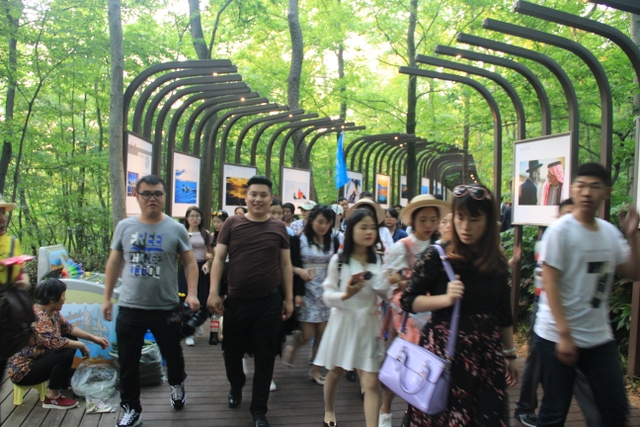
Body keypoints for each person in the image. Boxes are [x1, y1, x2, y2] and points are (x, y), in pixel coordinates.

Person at [400, 184, 518, 426]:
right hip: (445, 355)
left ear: (488, 221)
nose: (465, 227)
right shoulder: (437, 256)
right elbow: (408, 300)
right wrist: (445, 299)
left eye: (474, 220)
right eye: (460, 218)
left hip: (486, 357)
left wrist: (510, 354)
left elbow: (502, 312)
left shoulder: (496, 261)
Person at [535, 162, 640, 426]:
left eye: (594, 187)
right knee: (554, 411)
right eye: (581, 186)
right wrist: (564, 335)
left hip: (597, 336)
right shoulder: (560, 231)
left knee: (615, 408)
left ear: (606, 192)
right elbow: (550, 282)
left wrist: (632, 236)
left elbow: (633, 272)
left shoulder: (609, 232)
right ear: (572, 189)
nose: (586, 192)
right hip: (555, 335)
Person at [102, 174, 200, 427]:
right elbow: (114, 262)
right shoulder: (125, 227)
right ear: (137, 196)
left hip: (165, 307)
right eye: (146, 193)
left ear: (164, 197)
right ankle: (132, 409)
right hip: (130, 306)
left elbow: (190, 263)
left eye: (157, 193)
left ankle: (176, 384)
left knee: (173, 355)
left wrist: (192, 293)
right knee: (127, 361)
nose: (152, 198)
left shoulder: (176, 229)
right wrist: (107, 297)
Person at [207, 175, 293, 427]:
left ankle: (259, 410)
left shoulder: (278, 227)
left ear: (270, 198)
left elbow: (285, 264)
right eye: (253, 194)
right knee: (231, 352)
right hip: (236, 301)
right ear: (245, 197)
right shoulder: (232, 223)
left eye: (263, 195)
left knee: (266, 357)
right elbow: (219, 258)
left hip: (269, 302)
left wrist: (288, 298)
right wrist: (213, 292)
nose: (258, 199)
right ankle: (236, 385)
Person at [514, 198, 600, 427]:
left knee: (574, 374)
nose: (572, 219)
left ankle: (596, 417)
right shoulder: (550, 241)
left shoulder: (583, 242)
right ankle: (524, 407)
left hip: (575, 318)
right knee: (537, 363)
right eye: (567, 214)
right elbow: (551, 282)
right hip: (545, 313)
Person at [314, 209, 391, 427]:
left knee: (371, 382)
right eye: (363, 227)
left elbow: (387, 293)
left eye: (372, 227)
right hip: (343, 323)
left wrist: (393, 285)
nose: (369, 232)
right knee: (336, 371)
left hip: (369, 324)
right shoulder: (339, 261)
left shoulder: (379, 260)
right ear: (351, 231)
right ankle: (329, 410)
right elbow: (327, 295)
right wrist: (346, 295)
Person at [379, 194, 450, 427]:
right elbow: (384, 282)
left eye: (433, 220)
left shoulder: (441, 248)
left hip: (434, 313)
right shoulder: (403, 247)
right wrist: (403, 285)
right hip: (408, 315)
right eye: (423, 220)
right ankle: (385, 409)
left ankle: (417, 411)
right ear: (413, 221)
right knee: (403, 359)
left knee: (427, 364)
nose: (429, 225)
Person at [9, 279, 108, 409]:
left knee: (70, 338)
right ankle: (52, 397)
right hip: (24, 372)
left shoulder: (52, 312)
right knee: (65, 352)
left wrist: (94, 338)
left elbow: (69, 328)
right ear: (52, 299)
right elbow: (56, 343)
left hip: (39, 359)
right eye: (62, 295)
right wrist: (81, 345)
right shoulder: (39, 317)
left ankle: (62, 380)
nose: (64, 299)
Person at [284, 205, 338, 385]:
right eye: (320, 221)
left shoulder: (334, 240)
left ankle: (315, 369)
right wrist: (299, 272)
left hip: (327, 292)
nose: (323, 226)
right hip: (306, 291)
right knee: (307, 334)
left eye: (327, 222)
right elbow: (287, 265)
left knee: (322, 335)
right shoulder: (299, 240)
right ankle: (294, 345)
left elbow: (339, 263)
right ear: (312, 221)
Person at [179, 206, 214, 346]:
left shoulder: (205, 234)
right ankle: (189, 332)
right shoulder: (182, 233)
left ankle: (197, 322)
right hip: (187, 268)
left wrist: (208, 260)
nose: (195, 219)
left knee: (201, 298)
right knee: (185, 299)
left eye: (197, 216)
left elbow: (211, 253)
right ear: (187, 218)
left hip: (202, 268)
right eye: (192, 216)